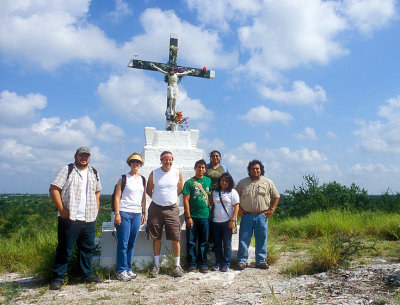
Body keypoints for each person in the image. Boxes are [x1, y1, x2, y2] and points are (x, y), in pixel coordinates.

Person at [49, 147, 102, 290]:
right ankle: (58, 278)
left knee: (87, 249)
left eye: (86, 155)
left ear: (89, 157)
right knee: (65, 249)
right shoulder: (67, 170)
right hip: (70, 218)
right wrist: (61, 210)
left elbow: (97, 192)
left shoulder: (93, 172)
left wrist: (96, 210)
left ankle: (86, 275)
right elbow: (54, 189)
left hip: (89, 218)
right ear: (76, 156)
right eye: (81, 155)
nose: (84, 158)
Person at [236, 160, 280, 270]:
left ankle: (261, 261)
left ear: (261, 170)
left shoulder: (268, 182)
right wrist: (239, 210)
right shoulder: (243, 182)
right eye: (253, 169)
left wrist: (272, 210)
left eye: (257, 169)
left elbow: (276, 196)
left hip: (262, 216)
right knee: (244, 238)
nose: (255, 170)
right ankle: (242, 261)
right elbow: (234, 196)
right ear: (249, 170)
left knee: (261, 238)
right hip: (247, 215)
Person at [146, 151, 184, 278]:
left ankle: (177, 266)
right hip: (156, 208)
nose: (168, 162)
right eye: (165, 159)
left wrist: (169, 200)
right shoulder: (154, 173)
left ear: (172, 160)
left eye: (170, 159)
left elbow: (179, 188)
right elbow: (149, 189)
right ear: (161, 160)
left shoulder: (177, 172)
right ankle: (156, 265)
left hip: (172, 208)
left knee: (175, 237)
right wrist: (159, 199)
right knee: (156, 238)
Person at [114, 153, 147, 281]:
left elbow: (143, 197)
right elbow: (117, 197)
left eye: (138, 162)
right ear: (130, 163)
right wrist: (117, 214)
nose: (135, 164)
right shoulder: (123, 178)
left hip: (137, 213)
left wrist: (143, 212)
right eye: (133, 162)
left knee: (131, 243)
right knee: (123, 242)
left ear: (140, 164)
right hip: (124, 212)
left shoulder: (142, 179)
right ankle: (121, 270)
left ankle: (128, 269)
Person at [182, 159, 211, 273]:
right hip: (192, 216)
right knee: (191, 241)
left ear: (205, 169)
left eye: (203, 167)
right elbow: (185, 200)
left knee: (204, 241)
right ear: (195, 168)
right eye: (199, 167)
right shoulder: (189, 183)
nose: (201, 169)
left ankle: (203, 263)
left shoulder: (208, 180)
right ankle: (192, 264)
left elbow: (210, 195)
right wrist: (188, 217)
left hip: (205, 215)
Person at [211, 173, 239, 272]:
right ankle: (218, 262)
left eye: (227, 181)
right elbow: (211, 204)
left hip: (227, 222)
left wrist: (232, 220)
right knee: (217, 244)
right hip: (216, 221)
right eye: (222, 180)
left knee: (227, 244)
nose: (224, 182)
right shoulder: (215, 192)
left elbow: (236, 206)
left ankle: (226, 264)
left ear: (230, 182)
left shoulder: (233, 192)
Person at [204, 150, 229, 251]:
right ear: (210, 157)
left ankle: (217, 243)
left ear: (220, 157)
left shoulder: (223, 168)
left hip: (220, 195)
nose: (215, 158)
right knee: (209, 219)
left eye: (217, 156)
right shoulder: (205, 167)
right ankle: (209, 242)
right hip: (208, 195)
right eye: (213, 156)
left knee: (218, 219)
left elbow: (228, 180)